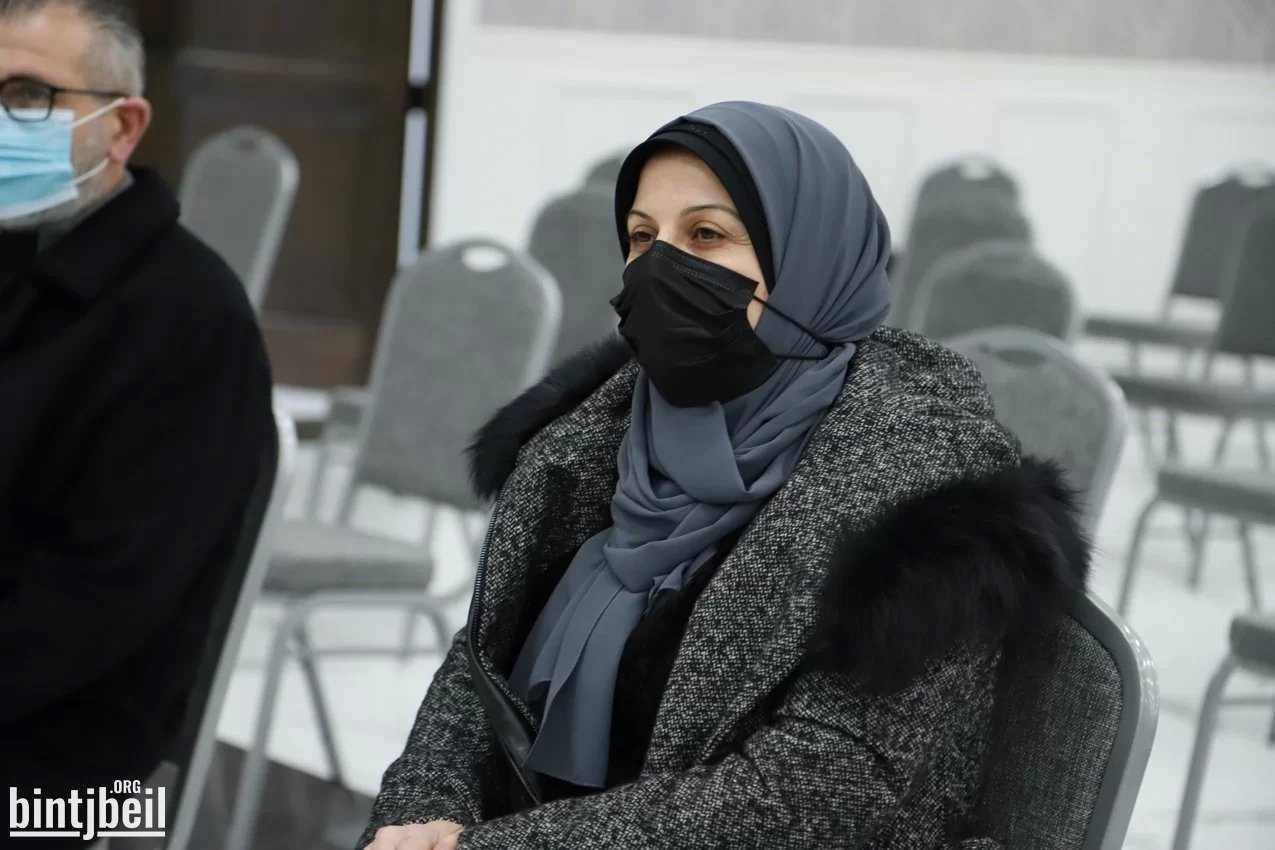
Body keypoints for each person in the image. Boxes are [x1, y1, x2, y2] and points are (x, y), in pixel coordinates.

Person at [360, 102, 1089, 850]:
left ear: (811, 256)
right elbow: (483, 663)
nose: (660, 267)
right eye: (642, 238)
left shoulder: (928, 483)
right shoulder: (600, 430)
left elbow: (828, 791)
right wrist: (419, 813)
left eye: (705, 235)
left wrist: (484, 849)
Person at [0, 0, 274, 821]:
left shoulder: (189, 317)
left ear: (122, 127)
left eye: (27, 95)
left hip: (69, 759)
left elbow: (96, 605)